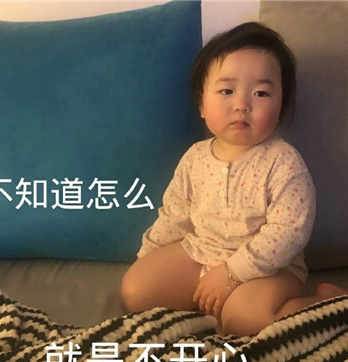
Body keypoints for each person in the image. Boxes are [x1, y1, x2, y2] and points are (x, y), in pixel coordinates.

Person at [121, 22, 347, 336]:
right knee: (135, 290)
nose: (242, 105)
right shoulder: (195, 157)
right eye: (227, 91)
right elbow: (174, 215)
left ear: (280, 107)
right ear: (202, 103)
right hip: (203, 251)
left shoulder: (283, 161)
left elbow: (288, 232)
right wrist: (148, 256)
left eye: (261, 93)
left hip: (269, 268)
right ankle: (211, 303)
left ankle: (323, 302)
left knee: (245, 321)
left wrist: (232, 273)